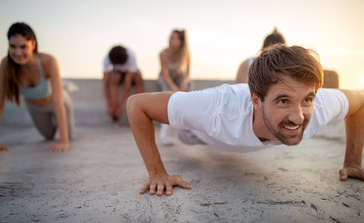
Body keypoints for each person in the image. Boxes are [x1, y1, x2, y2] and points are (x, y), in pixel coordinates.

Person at [127, 44, 364, 196]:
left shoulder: (320, 107)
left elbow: (360, 101)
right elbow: (137, 104)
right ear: (256, 100)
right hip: (194, 133)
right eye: (283, 101)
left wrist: (352, 161)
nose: (298, 116)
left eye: (306, 100)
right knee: (185, 134)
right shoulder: (217, 109)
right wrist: (157, 173)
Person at [0, 22, 74, 153]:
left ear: (33, 44)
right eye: (13, 46)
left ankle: (66, 87)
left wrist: (63, 141)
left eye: (23, 47)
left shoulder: (49, 61)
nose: (18, 52)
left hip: (58, 101)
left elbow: (58, 104)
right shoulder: (6, 65)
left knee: (68, 137)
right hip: (35, 107)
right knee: (48, 136)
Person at [158, 29, 190, 145]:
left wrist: (184, 83)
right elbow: (165, 76)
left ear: (180, 41)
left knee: (189, 96)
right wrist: (174, 89)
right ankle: (165, 133)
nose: (171, 40)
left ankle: (187, 130)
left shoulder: (185, 52)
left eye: (174, 38)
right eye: (170, 37)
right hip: (166, 78)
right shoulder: (163, 53)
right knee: (168, 99)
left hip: (180, 78)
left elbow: (187, 73)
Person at [103, 45, 144, 120]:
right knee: (114, 77)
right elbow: (105, 83)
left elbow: (127, 85)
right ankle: (114, 111)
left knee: (138, 77)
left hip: (130, 73)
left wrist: (121, 106)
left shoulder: (131, 55)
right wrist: (109, 105)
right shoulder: (107, 58)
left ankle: (138, 109)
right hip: (117, 74)